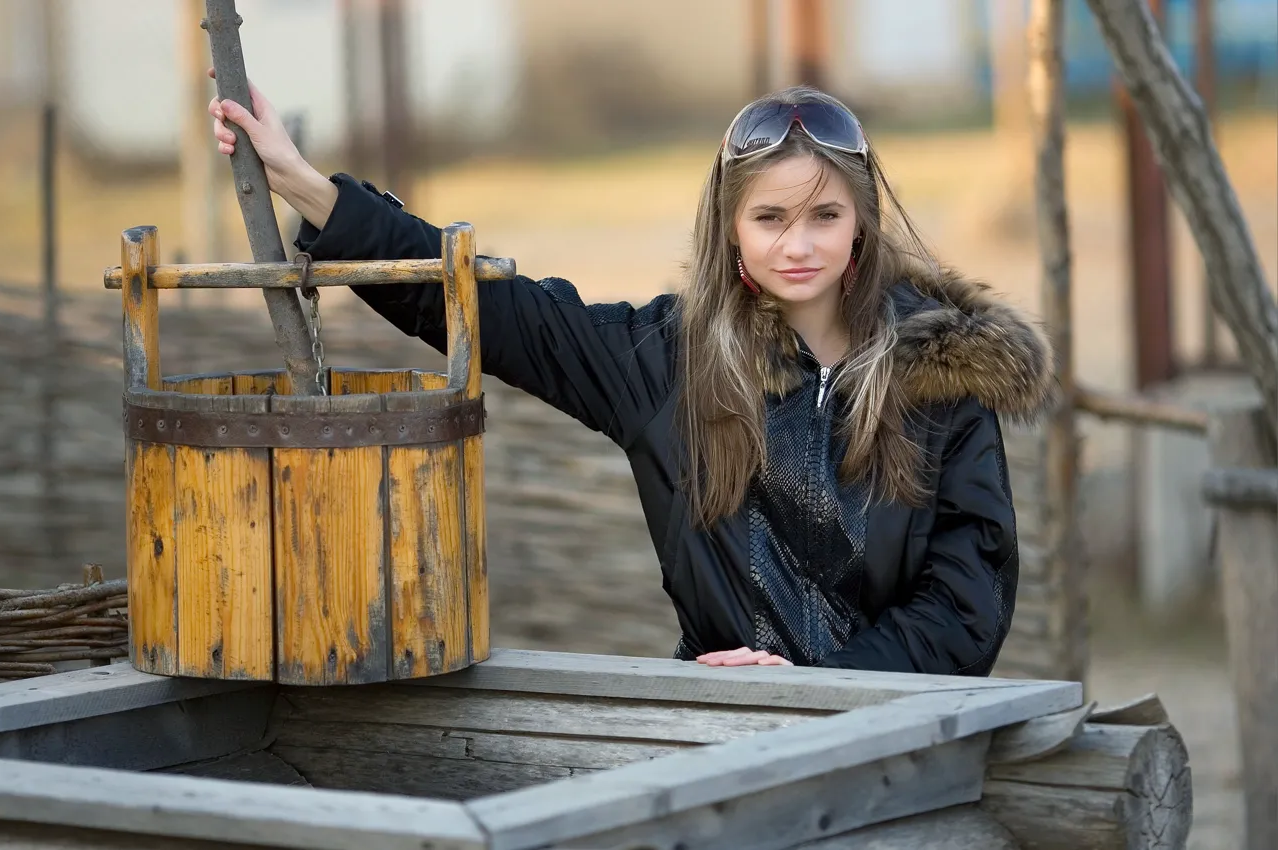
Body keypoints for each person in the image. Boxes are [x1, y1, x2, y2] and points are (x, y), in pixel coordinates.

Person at [209, 78, 1055, 676]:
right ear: (730, 227)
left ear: (861, 224)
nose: (798, 246)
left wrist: (821, 687)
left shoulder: (944, 375)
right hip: (714, 734)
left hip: (896, 733)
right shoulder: (668, 361)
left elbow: (967, 602)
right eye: (770, 217)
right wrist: (306, 186)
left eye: (824, 216)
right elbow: (497, 312)